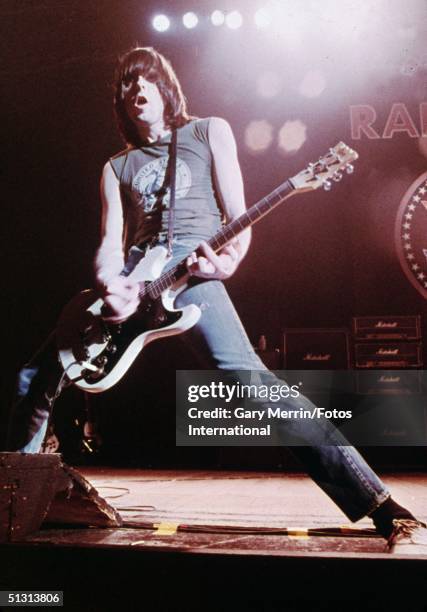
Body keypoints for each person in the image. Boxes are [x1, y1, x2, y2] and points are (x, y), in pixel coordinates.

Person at [7, 46, 426, 554]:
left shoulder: (208, 132)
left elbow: (238, 214)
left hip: (194, 276)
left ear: (166, 90)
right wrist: (108, 284)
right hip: (134, 285)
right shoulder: (115, 167)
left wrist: (226, 265)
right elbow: (108, 244)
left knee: (255, 386)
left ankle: (383, 508)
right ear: (121, 101)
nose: (137, 90)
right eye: (127, 84)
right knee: (35, 375)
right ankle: (15, 502)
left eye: (147, 80)